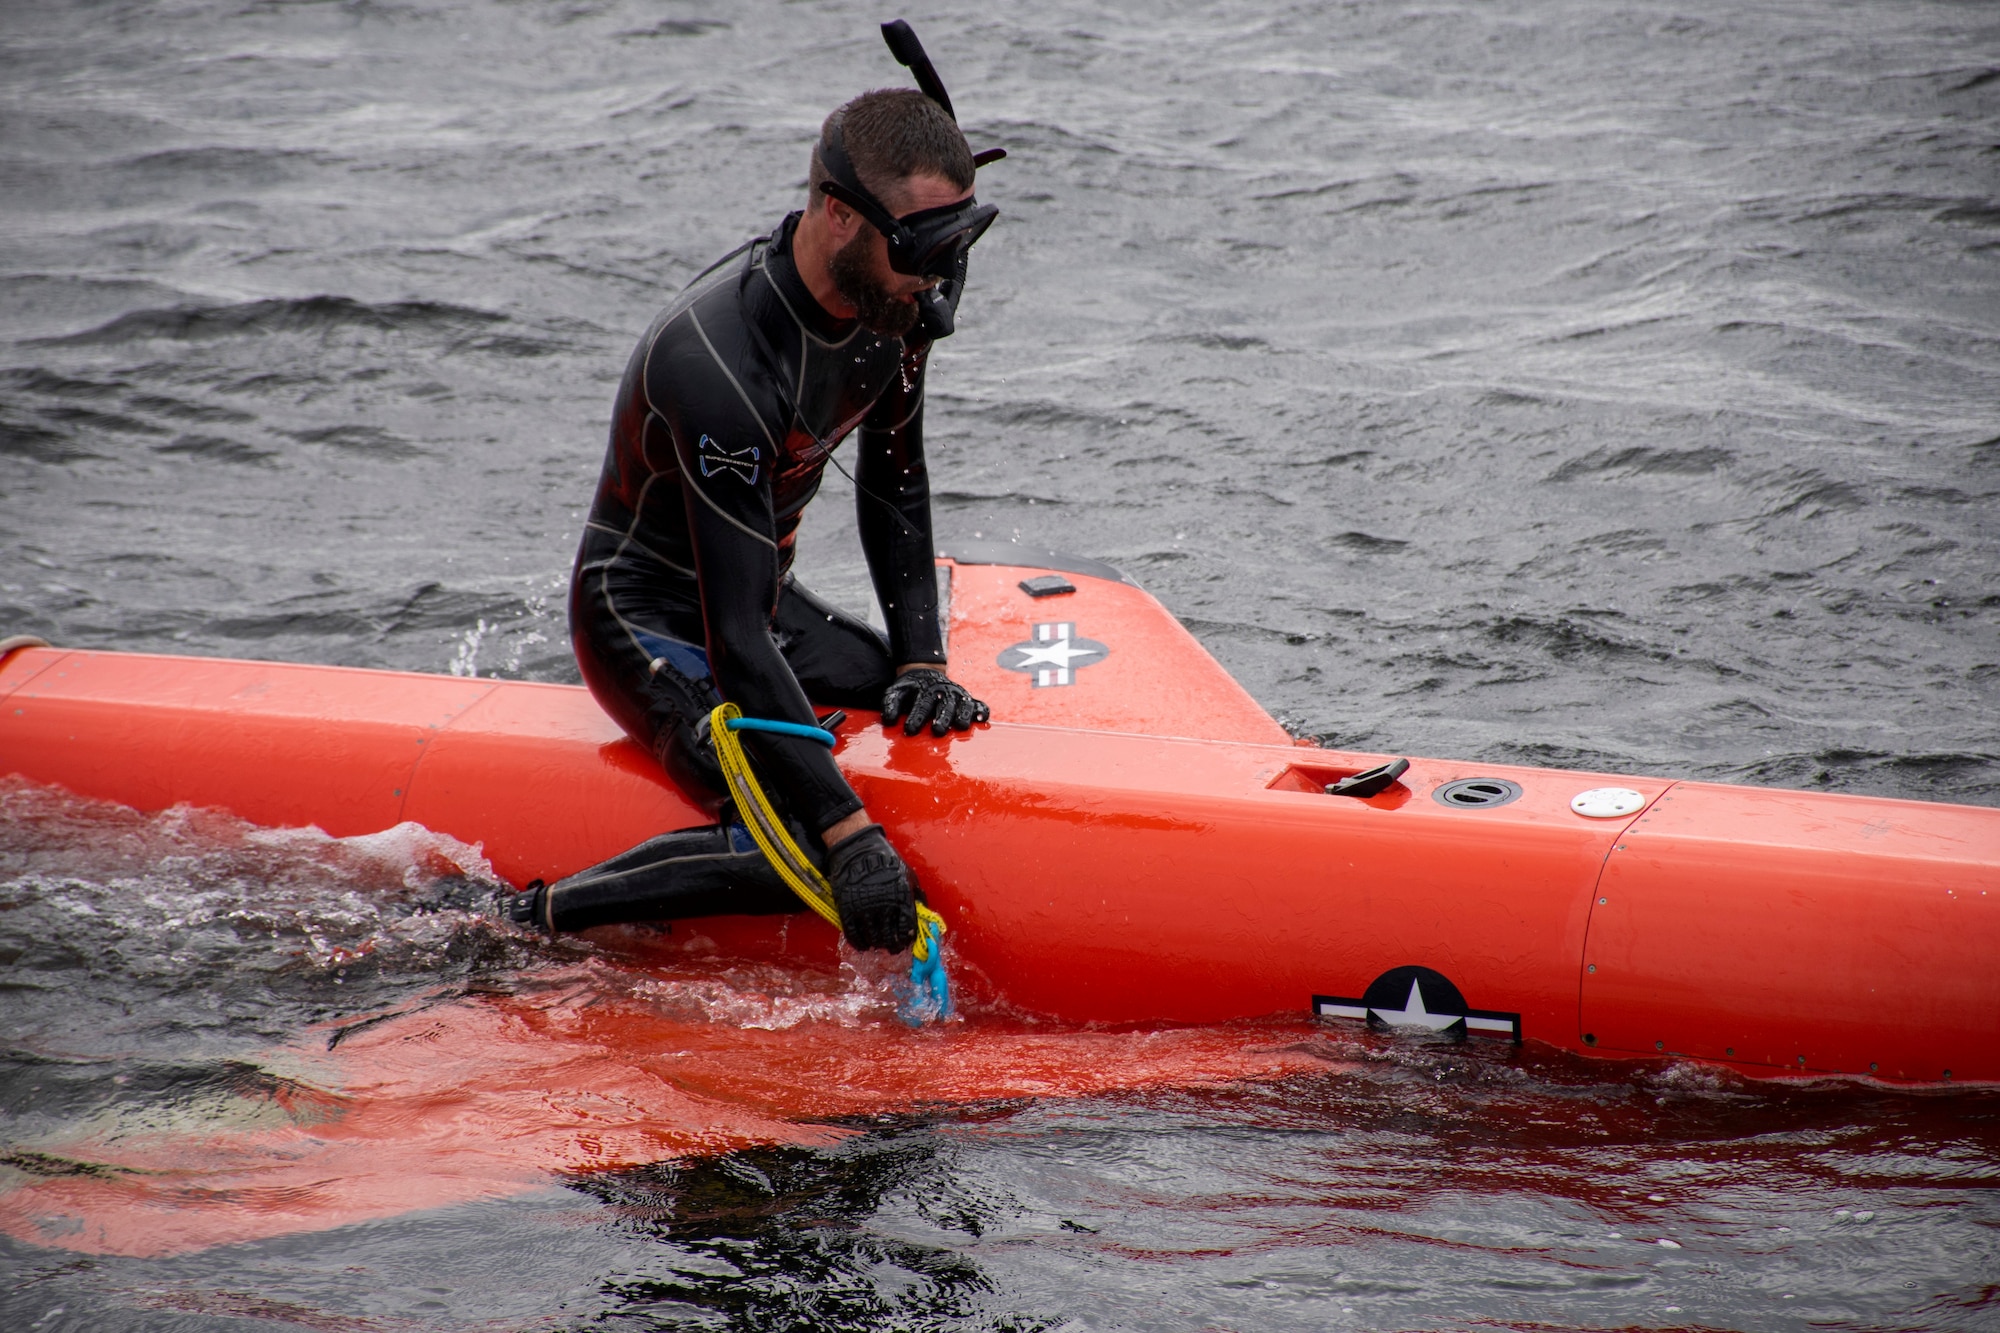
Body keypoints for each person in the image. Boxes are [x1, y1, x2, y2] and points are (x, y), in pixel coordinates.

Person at [505, 71, 1001, 954]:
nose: (938, 279)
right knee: (794, 847)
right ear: (840, 214)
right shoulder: (720, 363)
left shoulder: (893, 307)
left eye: (957, 241)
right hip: (651, 619)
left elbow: (896, 483)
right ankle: (529, 918)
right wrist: (851, 836)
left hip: (757, 600)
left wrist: (922, 661)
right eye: (924, 245)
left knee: (896, 689)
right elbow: (735, 636)